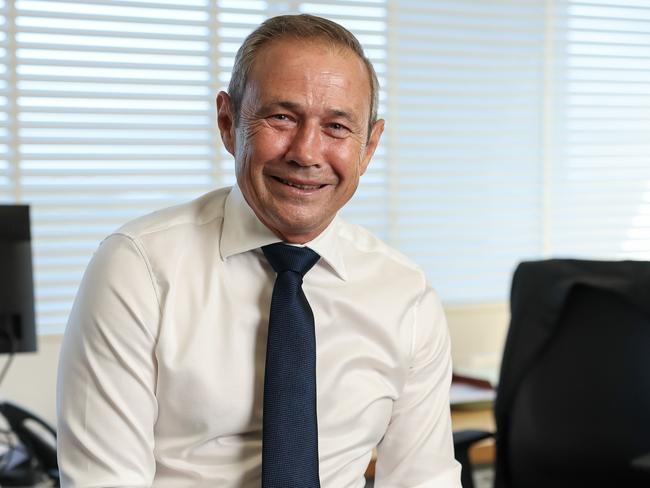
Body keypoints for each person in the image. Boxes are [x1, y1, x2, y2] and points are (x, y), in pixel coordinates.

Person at [56, 13, 461, 488]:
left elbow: (424, 478)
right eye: (282, 117)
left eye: (336, 126)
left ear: (368, 147)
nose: (306, 152)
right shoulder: (137, 269)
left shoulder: (404, 295)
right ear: (228, 123)